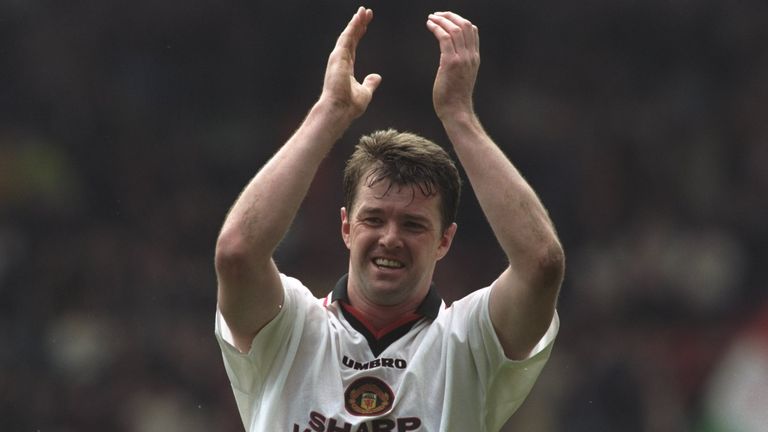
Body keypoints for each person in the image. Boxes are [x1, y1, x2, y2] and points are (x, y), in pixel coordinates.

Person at [214, 7, 564, 431]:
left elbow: (541, 265)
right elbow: (237, 254)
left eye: (413, 225)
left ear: (445, 240)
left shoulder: (469, 342)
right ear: (346, 226)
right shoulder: (290, 328)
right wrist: (330, 112)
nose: (390, 238)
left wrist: (460, 116)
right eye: (374, 219)